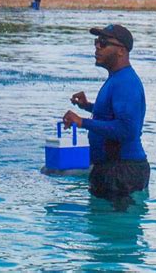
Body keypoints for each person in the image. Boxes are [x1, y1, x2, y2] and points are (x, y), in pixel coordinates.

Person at [62, 24, 150, 203]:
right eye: (96, 42)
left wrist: (82, 122)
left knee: (114, 230)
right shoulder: (117, 79)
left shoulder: (126, 82)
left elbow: (127, 129)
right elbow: (114, 115)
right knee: (99, 229)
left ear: (121, 51)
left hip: (121, 172)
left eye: (103, 43)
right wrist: (88, 106)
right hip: (112, 169)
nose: (97, 47)